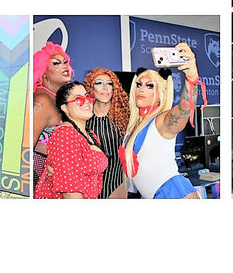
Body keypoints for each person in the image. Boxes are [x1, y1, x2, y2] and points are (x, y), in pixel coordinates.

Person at [120, 42, 205, 199]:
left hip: (175, 194)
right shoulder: (134, 125)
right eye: (139, 84)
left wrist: (191, 78)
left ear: (161, 94)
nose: (142, 89)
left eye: (150, 86)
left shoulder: (161, 120)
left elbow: (183, 110)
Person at [34, 81, 108, 199]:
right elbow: (70, 192)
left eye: (87, 97)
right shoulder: (65, 134)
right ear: (65, 108)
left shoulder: (91, 134)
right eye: (78, 99)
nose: (87, 102)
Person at [83, 67, 130, 198]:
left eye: (109, 83)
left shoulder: (126, 117)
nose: (105, 87)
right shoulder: (83, 118)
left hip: (118, 184)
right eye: (99, 83)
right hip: (89, 185)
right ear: (90, 88)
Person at [32, 42, 73, 188]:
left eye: (65, 62)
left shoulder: (56, 98)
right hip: (43, 178)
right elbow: (27, 146)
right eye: (56, 63)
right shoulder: (42, 101)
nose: (64, 66)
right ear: (42, 72)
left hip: (60, 178)